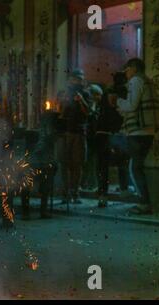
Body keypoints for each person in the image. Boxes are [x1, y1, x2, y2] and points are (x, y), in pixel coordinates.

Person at [111, 58, 159, 215]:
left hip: (138, 131)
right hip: (148, 130)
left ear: (132, 68)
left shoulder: (135, 81)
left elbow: (131, 105)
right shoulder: (148, 81)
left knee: (135, 168)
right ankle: (144, 202)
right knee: (136, 166)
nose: (125, 74)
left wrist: (118, 101)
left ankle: (144, 204)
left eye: (126, 70)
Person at [57, 68, 90, 204]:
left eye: (80, 79)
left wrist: (81, 100)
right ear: (70, 80)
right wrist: (62, 103)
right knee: (64, 164)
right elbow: (58, 112)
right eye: (75, 79)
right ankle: (65, 193)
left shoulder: (85, 94)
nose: (78, 81)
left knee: (77, 164)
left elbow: (88, 112)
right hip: (64, 132)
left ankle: (75, 192)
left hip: (78, 132)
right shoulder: (63, 93)